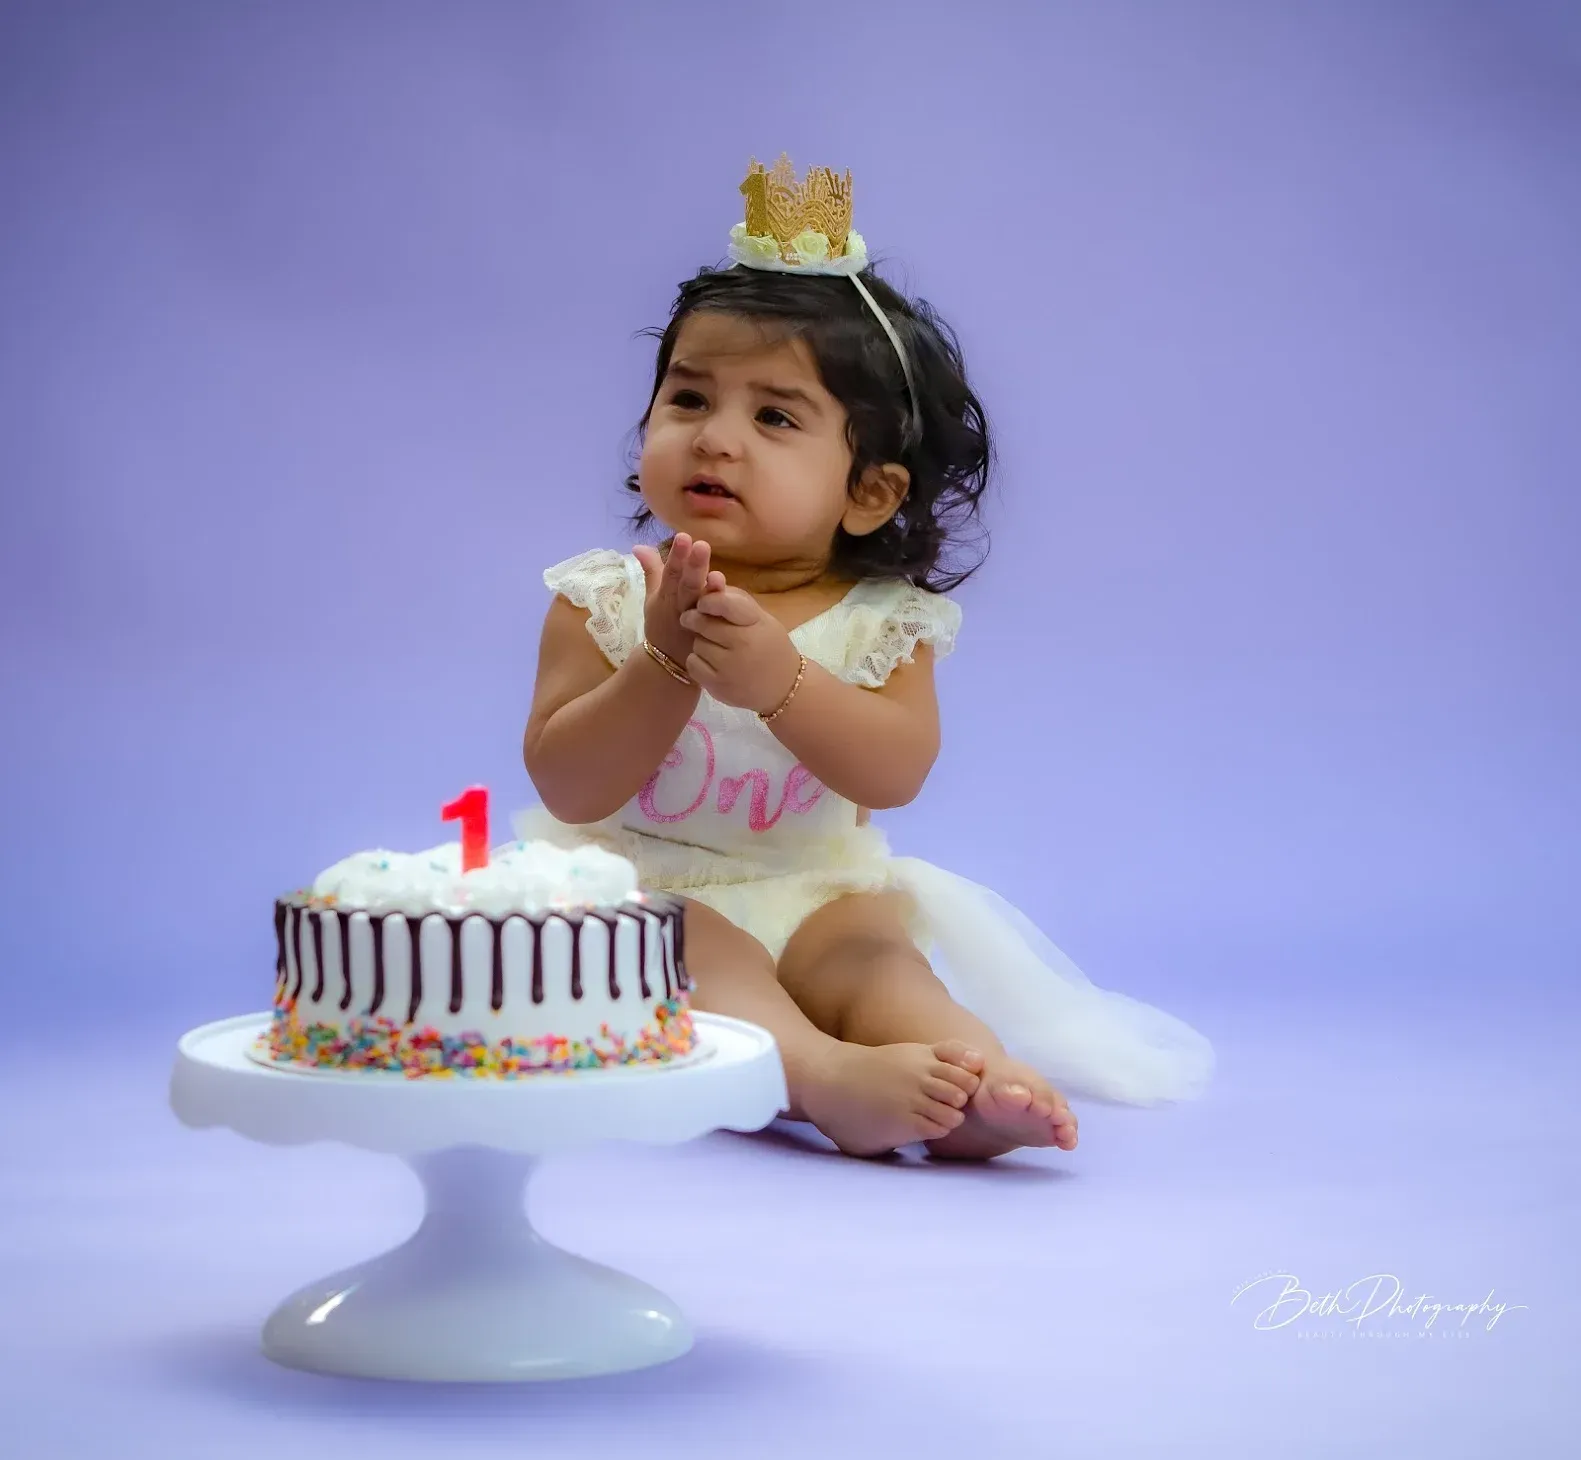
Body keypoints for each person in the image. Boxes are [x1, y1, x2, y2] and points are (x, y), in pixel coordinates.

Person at [519, 156, 1213, 1159]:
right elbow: (568, 785)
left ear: (870, 492)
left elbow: (895, 770)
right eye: (689, 398)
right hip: (638, 877)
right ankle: (819, 1077)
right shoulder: (613, 596)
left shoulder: (883, 621)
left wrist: (783, 682)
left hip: (817, 888)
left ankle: (973, 1074)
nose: (717, 438)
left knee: (881, 964)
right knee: (691, 949)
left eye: (774, 416)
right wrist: (663, 663)